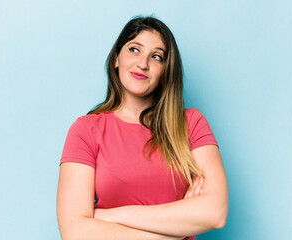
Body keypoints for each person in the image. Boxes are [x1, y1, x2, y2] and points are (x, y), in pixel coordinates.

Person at [56, 16, 229, 240]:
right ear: (116, 58)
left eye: (156, 57)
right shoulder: (86, 130)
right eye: (134, 50)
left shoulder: (191, 124)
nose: (143, 63)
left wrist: (111, 216)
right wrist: (176, 229)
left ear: (166, 71)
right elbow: (75, 231)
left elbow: (216, 213)